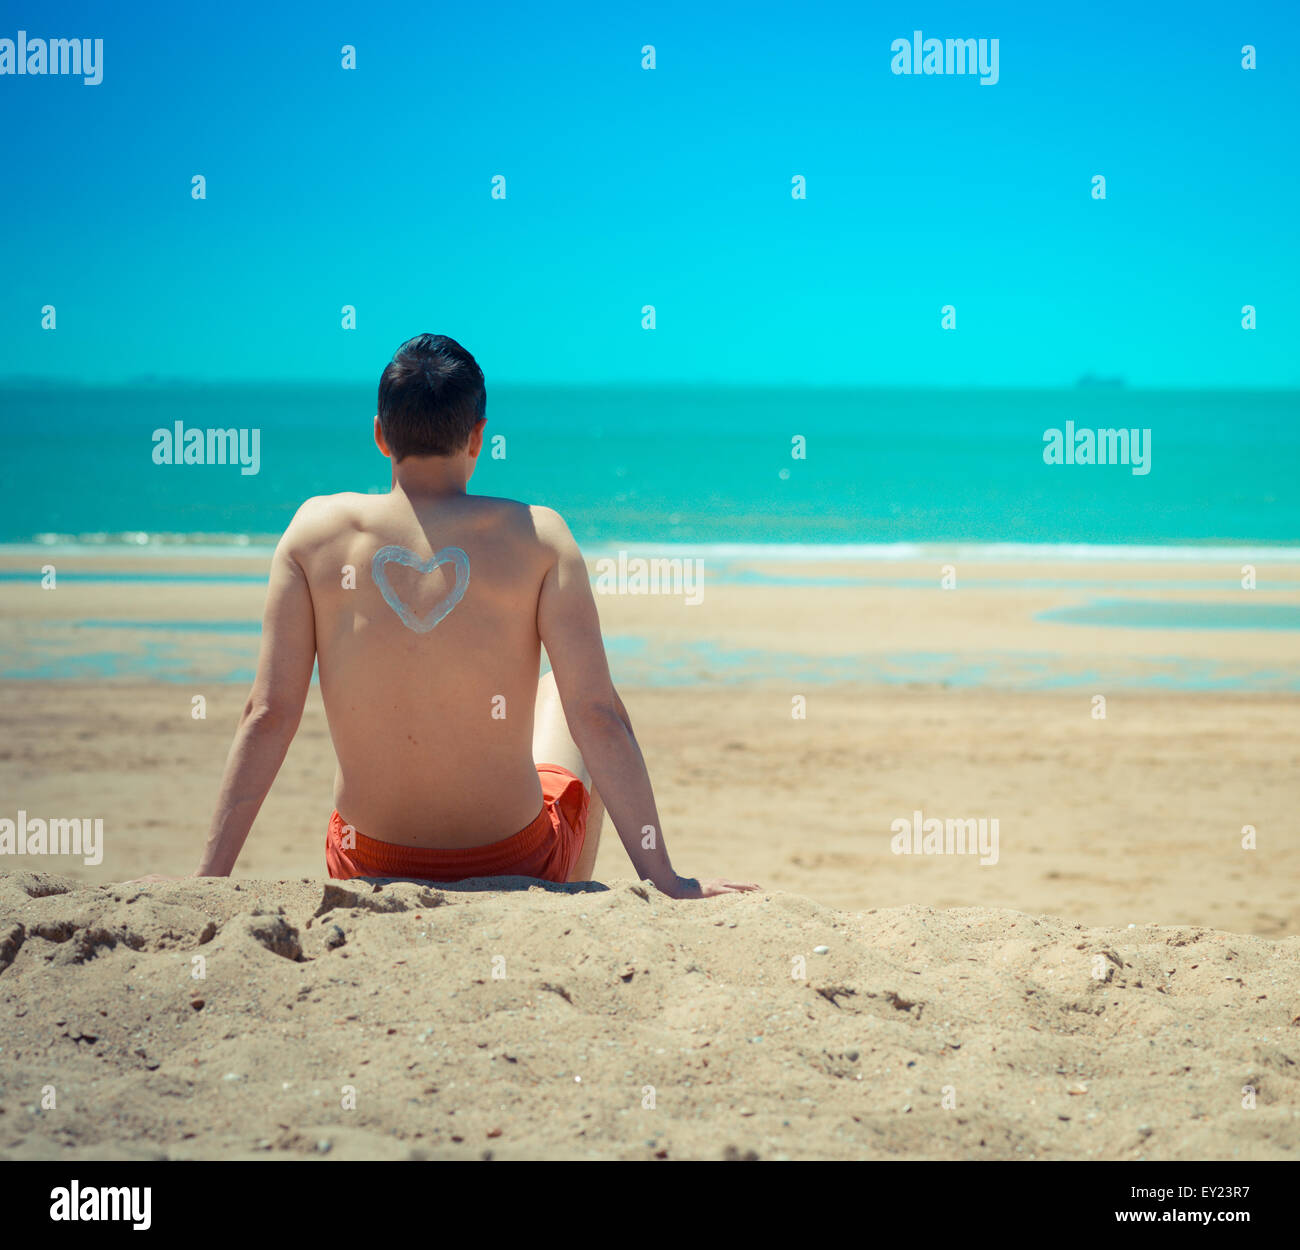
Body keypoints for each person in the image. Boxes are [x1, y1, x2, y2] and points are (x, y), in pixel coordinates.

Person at [188, 333, 758, 899]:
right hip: (516, 856)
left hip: (365, 859)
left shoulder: (313, 533)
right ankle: (576, 890)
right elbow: (597, 717)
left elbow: (267, 713)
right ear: (478, 436)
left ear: (381, 435)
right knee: (568, 692)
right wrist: (668, 881)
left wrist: (207, 882)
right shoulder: (539, 537)